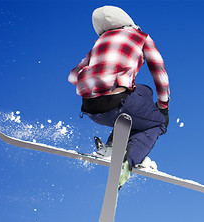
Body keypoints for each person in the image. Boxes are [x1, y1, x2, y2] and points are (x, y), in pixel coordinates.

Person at [68, 6, 170, 184]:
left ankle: (111, 148)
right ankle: (130, 161)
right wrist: (163, 107)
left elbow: (72, 76)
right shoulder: (140, 37)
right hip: (117, 102)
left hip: (90, 108)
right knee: (157, 123)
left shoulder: (99, 42)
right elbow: (160, 73)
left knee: (144, 92)